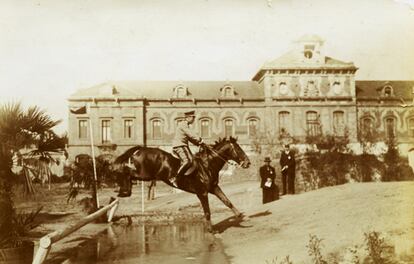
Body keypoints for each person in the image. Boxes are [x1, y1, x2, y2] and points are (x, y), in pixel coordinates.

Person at [170, 110, 204, 187]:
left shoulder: (186, 125)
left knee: (193, 161)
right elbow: (190, 134)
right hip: (179, 145)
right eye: (193, 118)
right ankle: (175, 178)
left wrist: (198, 143)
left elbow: (189, 138)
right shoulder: (183, 124)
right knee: (187, 161)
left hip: (183, 145)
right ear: (188, 117)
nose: (194, 120)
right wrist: (199, 139)